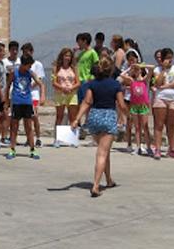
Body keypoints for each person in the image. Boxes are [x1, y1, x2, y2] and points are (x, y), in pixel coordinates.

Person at [71, 55, 125, 197]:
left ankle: (108, 180)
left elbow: (87, 102)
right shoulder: (115, 85)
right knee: (102, 153)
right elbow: (121, 104)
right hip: (108, 117)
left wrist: (77, 119)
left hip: (94, 117)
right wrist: (127, 115)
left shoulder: (92, 84)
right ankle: (95, 186)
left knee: (104, 150)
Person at [5, 54, 39, 160]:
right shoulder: (14, 72)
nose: (30, 68)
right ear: (23, 64)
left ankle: (32, 149)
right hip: (17, 102)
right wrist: (6, 101)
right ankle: (12, 149)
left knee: (28, 126)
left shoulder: (30, 73)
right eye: (28, 65)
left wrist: (42, 95)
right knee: (14, 126)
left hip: (27, 102)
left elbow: (40, 83)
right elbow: (7, 86)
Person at [152, 48, 174, 159]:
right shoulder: (157, 70)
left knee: (172, 124)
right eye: (167, 58)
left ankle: (172, 148)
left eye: (171, 57)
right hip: (161, 98)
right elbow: (157, 83)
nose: (169, 60)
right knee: (159, 124)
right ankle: (158, 149)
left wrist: (166, 86)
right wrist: (163, 70)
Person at [119, 58, 153, 155]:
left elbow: (152, 68)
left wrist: (142, 66)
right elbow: (121, 75)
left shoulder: (145, 80)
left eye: (137, 70)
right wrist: (130, 68)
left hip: (143, 106)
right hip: (134, 105)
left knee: (145, 127)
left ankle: (148, 147)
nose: (136, 71)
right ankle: (138, 147)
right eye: (135, 70)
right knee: (137, 127)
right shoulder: (131, 80)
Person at [51, 47, 80, 146]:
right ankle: (57, 139)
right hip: (60, 94)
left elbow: (78, 82)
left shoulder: (74, 68)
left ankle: (72, 139)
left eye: (69, 56)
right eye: (65, 55)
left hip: (72, 94)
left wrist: (71, 88)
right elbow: (54, 82)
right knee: (60, 116)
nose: (67, 58)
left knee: (73, 117)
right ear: (62, 56)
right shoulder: (57, 68)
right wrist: (63, 88)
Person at [21, 42, 46, 148]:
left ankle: (38, 138)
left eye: (28, 52)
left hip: (34, 93)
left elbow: (39, 79)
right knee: (27, 117)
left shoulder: (37, 64)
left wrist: (30, 85)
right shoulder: (21, 64)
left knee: (34, 116)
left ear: (32, 52)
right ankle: (28, 138)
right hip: (24, 94)